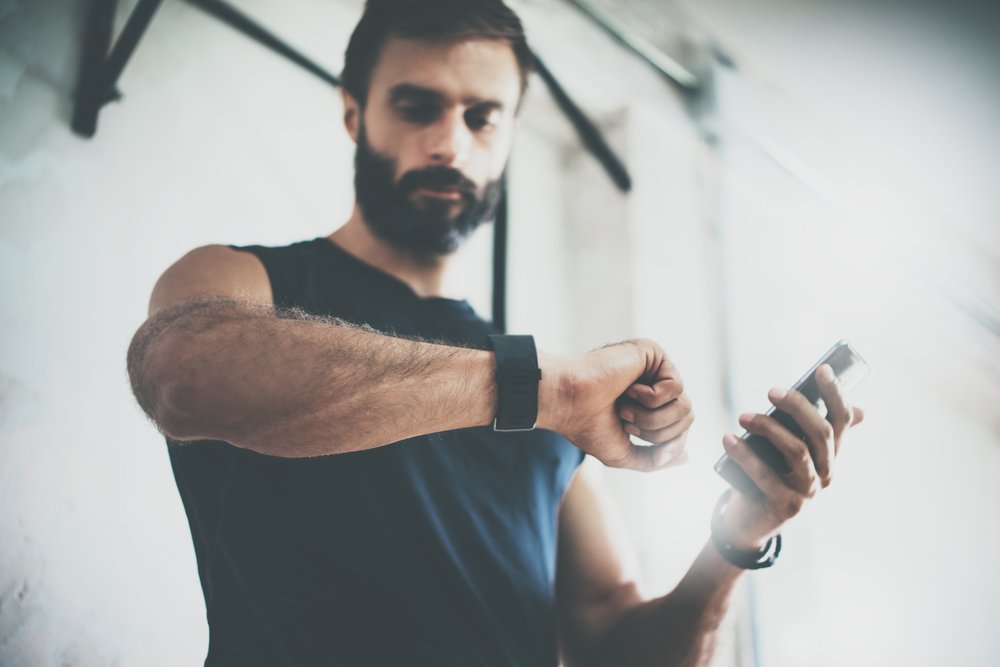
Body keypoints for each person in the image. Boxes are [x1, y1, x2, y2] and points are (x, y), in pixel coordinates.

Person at [127, 1, 864, 665]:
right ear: (354, 113)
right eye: (417, 107)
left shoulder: (548, 397)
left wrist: (739, 534)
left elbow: (617, 650)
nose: (451, 142)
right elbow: (182, 372)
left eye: (483, 116)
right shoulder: (246, 282)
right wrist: (549, 388)